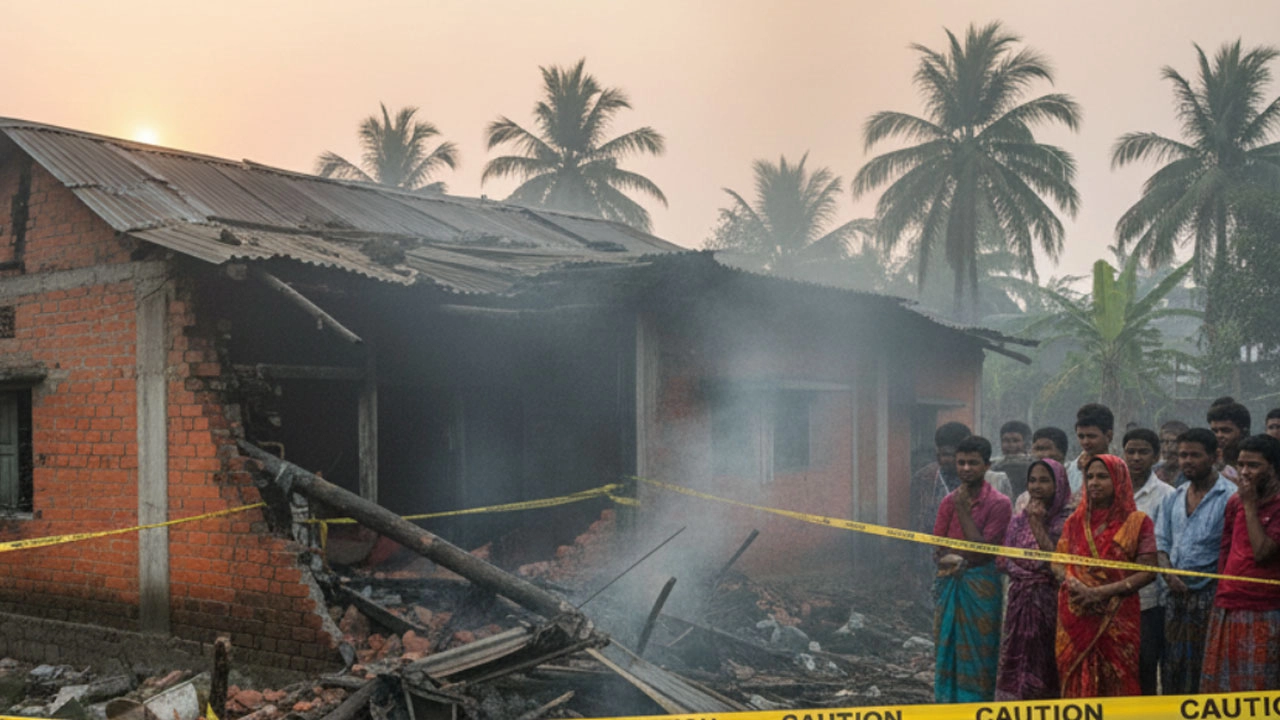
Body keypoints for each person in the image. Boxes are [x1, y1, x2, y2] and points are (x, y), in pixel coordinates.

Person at [1054, 455, 1158, 698]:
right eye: (1089, 477)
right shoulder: (1074, 521)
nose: (1093, 483)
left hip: (1117, 614)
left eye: (1102, 476)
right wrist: (1074, 583)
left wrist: (1100, 592)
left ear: (1119, 480)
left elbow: (1148, 571)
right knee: (1075, 679)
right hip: (1076, 611)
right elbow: (1058, 562)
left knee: (1119, 678)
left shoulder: (1137, 522)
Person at [1155, 428, 1236, 694]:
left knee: (1207, 669)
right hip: (1174, 598)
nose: (1187, 461)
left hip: (1211, 598)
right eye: (1182, 455)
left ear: (1215, 456)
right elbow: (1161, 544)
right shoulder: (1174, 497)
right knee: (1173, 668)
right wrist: (1168, 575)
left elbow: (1232, 551)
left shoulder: (1231, 497)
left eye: (1194, 455)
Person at [933, 436, 1012, 703]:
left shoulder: (999, 503)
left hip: (981, 586)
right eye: (961, 463)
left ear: (987, 465)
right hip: (950, 583)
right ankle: (946, 703)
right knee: (947, 647)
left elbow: (983, 550)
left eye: (973, 463)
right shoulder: (948, 502)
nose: (966, 469)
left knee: (978, 651)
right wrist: (950, 560)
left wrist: (963, 510)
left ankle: (976, 704)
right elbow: (937, 548)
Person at [1200, 434, 1280, 692]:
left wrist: (1249, 505)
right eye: (1241, 464)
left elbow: (1262, 552)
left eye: (1254, 466)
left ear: (1274, 467)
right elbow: (1226, 550)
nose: (1245, 472)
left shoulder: (1260, 503)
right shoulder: (1235, 502)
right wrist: (1222, 591)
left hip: (1264, 608)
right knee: (1223, 687)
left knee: (1258, 687)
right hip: (1228, 604)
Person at [995, 459, 1071, 700]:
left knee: (1047, 665)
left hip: (1051, 606)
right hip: (1019, 603)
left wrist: (1037, 524)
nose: (1037, 486)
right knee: (1016, 662)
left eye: (1044, 480)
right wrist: (1027, 571)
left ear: (1058, 484)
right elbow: (1004, 558)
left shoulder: (1068, 521)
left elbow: (1058, 564)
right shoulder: (1020, 518)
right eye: (1033, 480)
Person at [1123, 428, 1176, 695]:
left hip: (1149, 597)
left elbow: (1166, 542)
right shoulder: (1111, 490)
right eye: (1130, 451)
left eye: (1143, 452)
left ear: (1155, 455)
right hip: (1113, 593)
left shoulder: (1166, 494)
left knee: (1145, 664)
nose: (1136, 458)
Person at [1013, 427, 1071, 514]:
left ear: (1062, 452)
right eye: (1037, 449)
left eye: (1046, 448)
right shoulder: (1024, 500)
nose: (1040, 454)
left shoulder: (1074, 489)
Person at [1067, 404, 1115, 501]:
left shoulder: (1120, 471)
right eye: (1081, 436)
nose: (1085, 442)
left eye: (1091, 436)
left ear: (1108, 436)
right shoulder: (1069, 471)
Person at [1207, 399, 1250, 483]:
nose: (1219, 436)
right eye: (1214, 431)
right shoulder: (1206, 461)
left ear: (1243, 432)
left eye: (1226, 430)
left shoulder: (1257, 462)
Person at [994, 421, 1034, 500]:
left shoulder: (1034, 467)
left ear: (1026, 444)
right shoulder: (994, 467)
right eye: (1006, 441)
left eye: (1015, 440)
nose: (1010, 445)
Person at [1154, 420, 1189, 486]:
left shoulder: (1191, 474)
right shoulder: (1153, 472)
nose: (1165, 448)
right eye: (1162, 441)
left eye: (1173, 442)